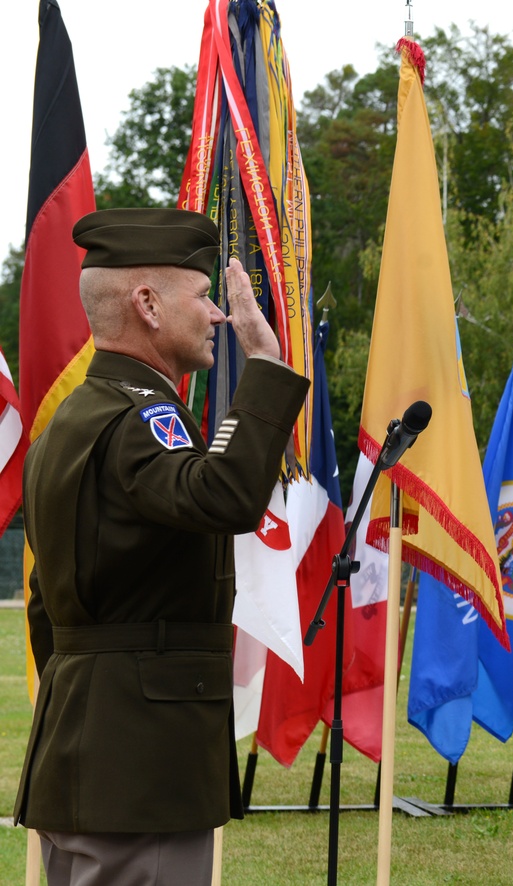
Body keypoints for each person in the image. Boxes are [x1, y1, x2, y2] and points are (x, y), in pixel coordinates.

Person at [14, 207, 310, 885]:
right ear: (147, 305)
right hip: (140, 771)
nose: (215, 316)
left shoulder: (69, 420)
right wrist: (265, 367)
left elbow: (45, 605)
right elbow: (223, 497)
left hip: (89, 753)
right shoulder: (140, 420)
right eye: (203, 297)